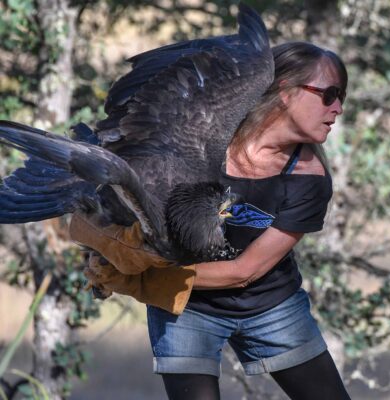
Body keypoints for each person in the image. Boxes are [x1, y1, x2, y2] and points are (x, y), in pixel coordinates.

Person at [70, 41, 351, 399]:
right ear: (285, 92)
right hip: (187, 310)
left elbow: (245, 271)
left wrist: (140, 275)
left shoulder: (309, 179)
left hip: (271, 306)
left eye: (341, 96)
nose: (338, 108)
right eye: (328, 94)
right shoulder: (202, 138)